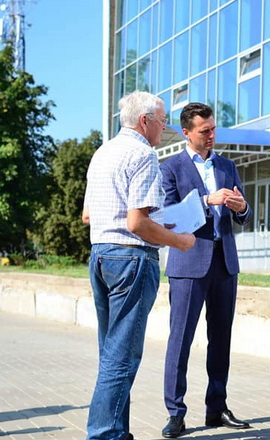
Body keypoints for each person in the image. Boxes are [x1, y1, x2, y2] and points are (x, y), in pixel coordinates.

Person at [82, 91, 196, 440]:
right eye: (162, 121)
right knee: (122, 356)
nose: (164, 128)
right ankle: (105, 434)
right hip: (131, 259)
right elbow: (136, 223)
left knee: (111, 353)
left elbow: (88, 215)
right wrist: (179, 241)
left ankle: (115, 431)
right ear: (145, 121)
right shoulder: (143, 154)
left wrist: (158, 225)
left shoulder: (103, 153)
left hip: (101, 255)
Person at [160, 102, 252, 438]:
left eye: (213, 128)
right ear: (187, 132)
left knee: (221, 339)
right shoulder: (171, 168)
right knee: (180, 340)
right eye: (205, 130)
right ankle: (175, 413)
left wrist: (242, 207)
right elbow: (167, 215)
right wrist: (206, 201)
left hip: (224, 263)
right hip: (187, 264)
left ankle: (217, 407)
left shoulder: (227, 166)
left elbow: (244, 215)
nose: (212, 135)